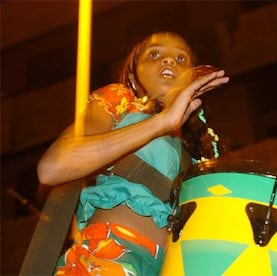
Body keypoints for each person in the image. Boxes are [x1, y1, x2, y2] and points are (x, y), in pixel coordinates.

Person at [37, 31, 230, 275]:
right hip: (110, 257)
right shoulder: (119, 102)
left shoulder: (203, 147)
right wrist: (161, 122)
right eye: (155, 54)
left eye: (181, 59)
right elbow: (52, 167)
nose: (169, 61)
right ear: (133, 74)